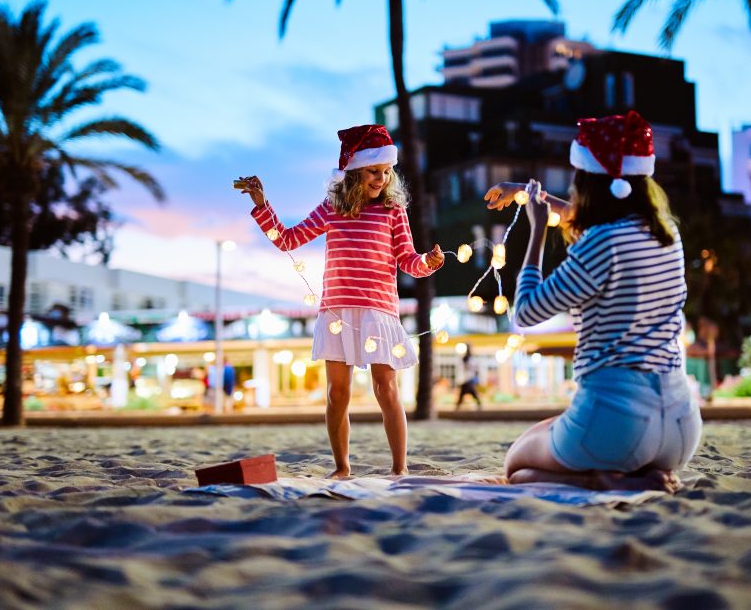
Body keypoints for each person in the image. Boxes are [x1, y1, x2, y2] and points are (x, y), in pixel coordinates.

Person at [487, 111, 701, 493]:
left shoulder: (601, 244)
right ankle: (635, 473)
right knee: (548, 430)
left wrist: (536, 234)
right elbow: (594, 223)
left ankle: (601, 479)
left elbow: (526, 311)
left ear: (588, 182)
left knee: (516, 465)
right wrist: (526, 191)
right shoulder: (667, 235)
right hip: (680, 429)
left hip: (619, 426)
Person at [240, 124, 444, 478]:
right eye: (372, 171)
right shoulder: (332, 209)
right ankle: (342, 467)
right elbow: (288, 240)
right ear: (353, 172)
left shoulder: (393, 210)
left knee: (387, 389)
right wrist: (262, 206)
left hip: (379, 311)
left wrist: (428, 262)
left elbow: (407, 259)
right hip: (336, 310)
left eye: (385, 172)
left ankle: (400, 467)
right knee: (337, 393)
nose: (380, 179)